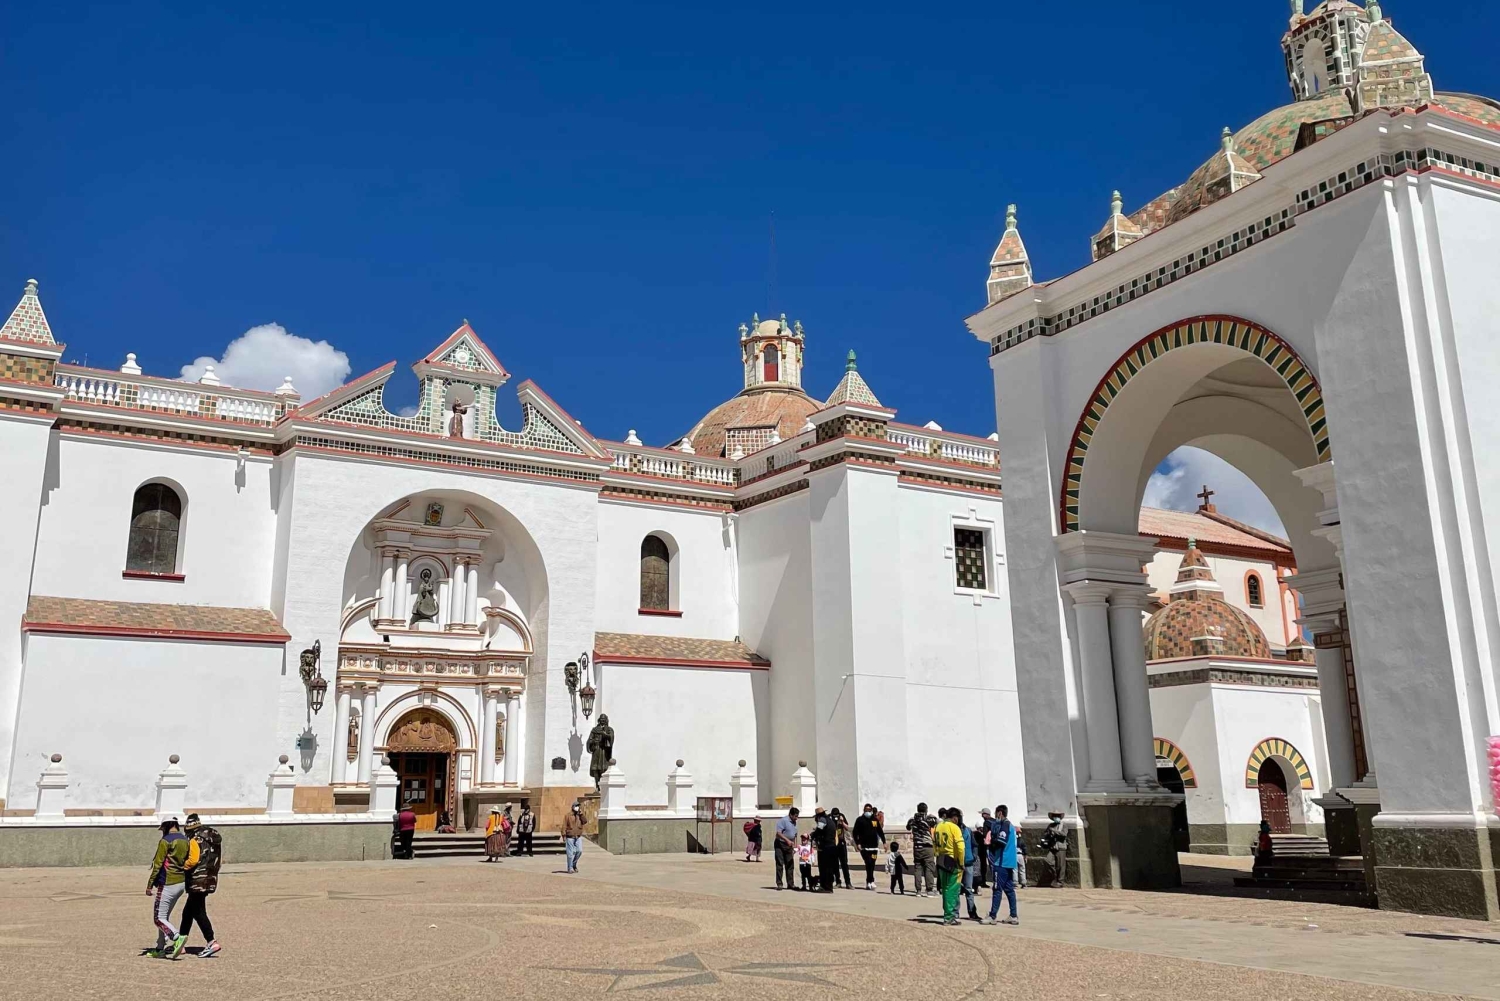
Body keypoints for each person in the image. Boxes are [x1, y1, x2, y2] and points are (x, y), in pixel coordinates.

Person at [144, 819, 196, 959]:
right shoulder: (185, 839)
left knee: (158, 918)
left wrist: (149, 885)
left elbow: (158, 864)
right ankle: (160, 947)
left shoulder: (165, 841)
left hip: (167, 882)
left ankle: (177, 937)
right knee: (164, 916)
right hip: (181, 882)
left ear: (166, 827)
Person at [181, 814, 222, 958]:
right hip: (210, 877)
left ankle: (211, 941)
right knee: (188, 912)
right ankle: (180, 943)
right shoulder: (213, 838)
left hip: (197, 879)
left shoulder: (195, 839)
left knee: (198, 912)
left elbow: (193, 860)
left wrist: (182, 867)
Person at [987, 804, 1019, 925]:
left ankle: (992, 915)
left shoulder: (1005, 825)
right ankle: (1013, 915)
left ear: (1000, 813)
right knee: (1009, 889)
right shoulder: (1010, 825)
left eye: (996, 814)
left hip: (1001, 862)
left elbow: (1001, 841)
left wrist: (992, 842)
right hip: (1009, 862)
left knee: (997, 889)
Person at [932, 807, 966, 925]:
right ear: (955, 818)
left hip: (941, 859)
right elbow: (961, 847)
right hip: (952, 860)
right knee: (952, 889)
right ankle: (949, 916)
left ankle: (947, 914)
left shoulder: (938, 826)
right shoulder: (954, 827)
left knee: (945, 889)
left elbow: (934, 843)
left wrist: (937, 854)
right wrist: (961, 862)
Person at [905, 802, 938, 898]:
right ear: (926, 810)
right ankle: (929, 890)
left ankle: (918, 890)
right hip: (927, 846)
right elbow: (936, 823)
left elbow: (907, 828)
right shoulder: (929, 819)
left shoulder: (912, 820)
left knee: (918, 868)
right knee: (929, 868)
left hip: (917, 847)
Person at [954, 808, 981, 921]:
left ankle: (972, 912)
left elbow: (974, 844)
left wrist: (974, 855)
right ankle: (955, 913)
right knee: (956, 889)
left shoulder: (968, 830)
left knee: (969, 889)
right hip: (956, 864)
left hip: (968, 862)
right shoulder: (953, 830)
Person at [852, 803, 882, 890]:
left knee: (872, 863)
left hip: (874, 848)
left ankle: (871, 881)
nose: (868, 812)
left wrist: (884, 842)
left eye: (869, 810)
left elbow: (880, 831)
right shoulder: (860, 820)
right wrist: (857, 843)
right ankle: (869, 881)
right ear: (864, 811)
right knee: (868, 863)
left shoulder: (875, 820)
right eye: (866, 810)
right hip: (864, 847)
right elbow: (855, 833)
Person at [813, 807, 839, 892]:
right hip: (832, 846)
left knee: (824, 867)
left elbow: (819, 831)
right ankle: (828, 886)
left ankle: (825, 887)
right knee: (830, 867)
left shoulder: (822, 820)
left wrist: (812, 835)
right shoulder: (830, 820)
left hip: (825, 847)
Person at [1041, 810, 1068, 887]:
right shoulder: (1050, 825)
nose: (1056, 818)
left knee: (1060, 865)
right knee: (1048, 861)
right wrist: (1048, 834)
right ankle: (1054, 876)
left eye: (1058, 816)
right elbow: (1045, 834)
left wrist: (1055, 831)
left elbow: (1064, 834)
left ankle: (1060, 881)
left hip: (1061, 847)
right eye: (1055, 816)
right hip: (1052, 847)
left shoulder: (1064, 825)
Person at [773, 807, 799, 889]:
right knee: (780, 864)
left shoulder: (795, 823)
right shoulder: (783, 821)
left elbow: (795, 835)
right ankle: (779, 883)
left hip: (789, 845)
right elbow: (778, 833)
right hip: (780, 844)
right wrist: (787, 840)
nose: (796, 818)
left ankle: (790, 883)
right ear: (790, 815)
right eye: (795, 816)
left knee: (790, 864)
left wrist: (794, 845)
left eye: (797, 816)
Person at [830, 808, 853, 888]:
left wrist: (842, 822)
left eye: (837, 816)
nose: (835, 817)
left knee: (844, 864)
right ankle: (838, 881)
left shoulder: (841, 816)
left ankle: (848, 882)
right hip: (833, 844)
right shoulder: (830, 818)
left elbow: (847, 828)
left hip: (841, 843)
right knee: (835, 864)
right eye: (834, 816)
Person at [563, 800, 586, 873]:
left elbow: (585, 821)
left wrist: (581, 814)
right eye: (576, 806)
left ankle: (574, 864)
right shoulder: (568, 815)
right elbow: (564, 825)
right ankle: (570, 868)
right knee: (570, 854)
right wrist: (563, 835)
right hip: (570, 836)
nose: (577, 807)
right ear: (573, 807)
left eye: (578, 806)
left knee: (579, 851)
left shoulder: (580, 815)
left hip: (578, 836)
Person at [975, 809, 993, 889]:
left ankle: (983, 881)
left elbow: (985, 835)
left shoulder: (986, 822)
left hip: (986, 848)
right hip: (994, 846)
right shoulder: (995, 821)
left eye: (983, 814)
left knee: (983, 865)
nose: (982, 816)